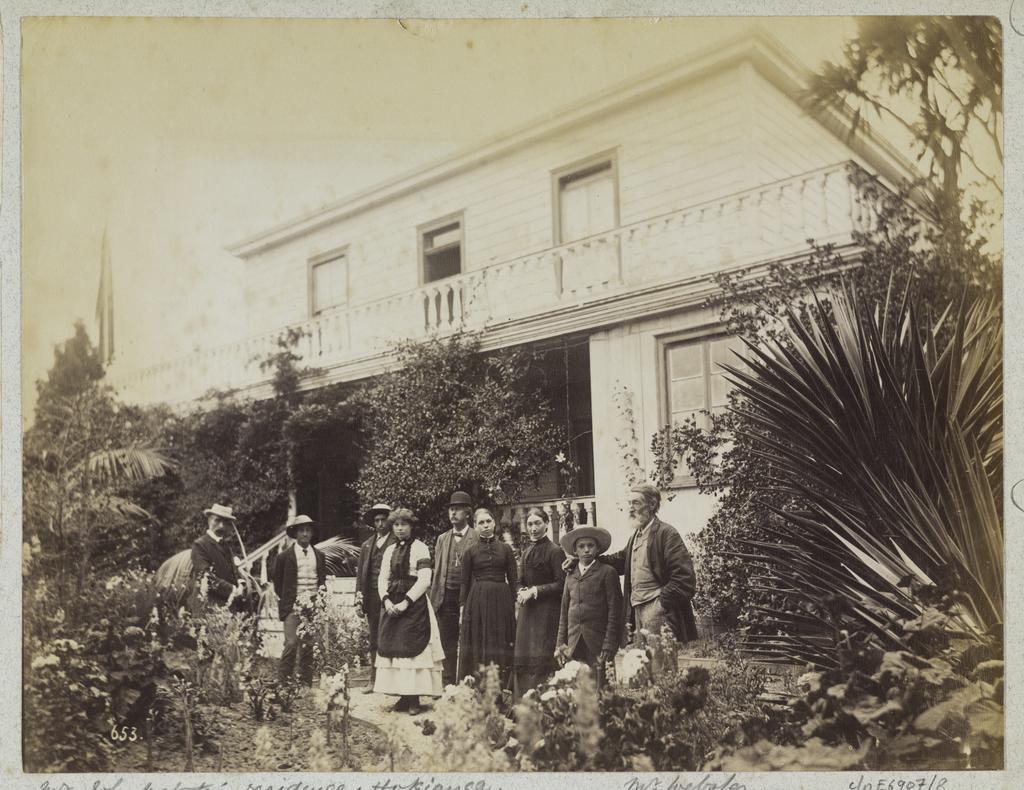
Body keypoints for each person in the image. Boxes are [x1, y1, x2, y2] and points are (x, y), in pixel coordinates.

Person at [600, 482, 698, 645]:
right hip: (636, 610)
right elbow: (620, 561)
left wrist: (660, 605)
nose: (631, 508)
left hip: (657, 610)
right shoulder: (636, 535)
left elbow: (684, 578)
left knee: (660, 658)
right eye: (629, 503)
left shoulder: (666, 533)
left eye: (636, 503)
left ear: (651, 505)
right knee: (643, 658)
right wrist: (586, 560)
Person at [374, 508, 445, 716]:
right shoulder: (389, 550)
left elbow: (424, 579)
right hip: (392, 603)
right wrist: (386, 600)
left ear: (412, 526)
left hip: (414, 605)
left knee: (413, 647)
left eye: (404, 524)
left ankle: (414, 698)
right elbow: (382, 578)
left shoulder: (421, 548)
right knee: (394, 647)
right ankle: (403, 697)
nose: (399, 528)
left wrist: (406, 602)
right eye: (396, 525)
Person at [555, 526, 622, 689]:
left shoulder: (607, 572)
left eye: (590, 545)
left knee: (601, 687)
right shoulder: (570, 575)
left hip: (598, 641)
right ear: (575, 551)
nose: (586, 550)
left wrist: (609, 643)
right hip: (574, 641)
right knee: (576, 687)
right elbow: (564, 611)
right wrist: (560, 644)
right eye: (581, 546)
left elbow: (615, 612)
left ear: (597, 548)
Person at [457, 507, 518, 688]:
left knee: (501, 639)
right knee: (480, 640)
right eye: (481, 523)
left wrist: (515, 605)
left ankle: (502, 687)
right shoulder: (470, 552)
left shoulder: (506, 549)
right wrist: (462, 607)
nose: (485, 525)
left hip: (502, 599)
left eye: (488, 521)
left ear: (494, 523)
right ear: (475, 526)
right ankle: (480, 686)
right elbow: (464, 583)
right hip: (478, 600)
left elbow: (513, 580)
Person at [512, 507, 566, 699]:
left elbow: (561, 584)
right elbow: (519, 581)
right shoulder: (526, 552)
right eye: (530, 524)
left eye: (537, 523)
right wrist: (521, 590)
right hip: (527, 613)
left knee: (542, 654)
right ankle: (522, 703)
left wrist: (535, 591)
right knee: (525, 654)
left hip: (547, 613)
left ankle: (543, 701)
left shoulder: (555, 551)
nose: (533, 528)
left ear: (546, 524)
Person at [428, 490, 479, 686]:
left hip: (469, 595)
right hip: (446, 595)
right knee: (446, 640)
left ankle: (468, 682)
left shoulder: (476, 537)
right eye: (451, 510)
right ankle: (447, 683)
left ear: (468, 513)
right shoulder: (442, 538)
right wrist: (434, 598)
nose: (453, 513)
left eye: (457, 509)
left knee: (469, 639)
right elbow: (438, 569)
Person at [272, 514, 327, 687]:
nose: (305, 534)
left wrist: (319, 603)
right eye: (301, 530)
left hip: (313, 606)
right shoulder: (284, 557)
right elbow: (278, 583)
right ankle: (284, 683)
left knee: (308, 644)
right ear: (295, 533)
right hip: (293, 606)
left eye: (308, 530)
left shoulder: (319, 555)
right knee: (291, 642)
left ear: (312, 533)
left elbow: (321, 581)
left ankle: (305, 684)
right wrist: (289, 602)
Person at [355, 502, 396, 692]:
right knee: (374, 639)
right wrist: (358, 599)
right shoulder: (367, 545)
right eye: (377, 520)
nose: (380, 524)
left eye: (383, 520)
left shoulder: (397, 542)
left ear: (389, 521)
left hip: (392, 596)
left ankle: (393, 682)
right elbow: (360, 575)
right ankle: (374, 679)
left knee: (392, 636)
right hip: (372, 597)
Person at [190, 503, 246, 608]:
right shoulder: (200, 545)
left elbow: (234, 570)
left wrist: (240, 583)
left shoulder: (226, 546)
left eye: (225, 522)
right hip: (209, 606)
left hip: (228, 605)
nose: (221, 526)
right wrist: (232, 589)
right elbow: (206, 577)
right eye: (217, 520)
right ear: (209, 520)